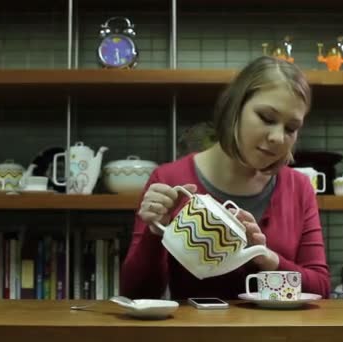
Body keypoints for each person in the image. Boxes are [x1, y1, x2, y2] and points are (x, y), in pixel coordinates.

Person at [120, 56, 331, 300]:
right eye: (266, 118)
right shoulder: (170, 179)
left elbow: (321, 289)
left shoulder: (298, 187)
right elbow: (135, 294)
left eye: (291, 128)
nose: (277, 138)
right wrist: (154, 234)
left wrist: (266, 258)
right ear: (235, 108)